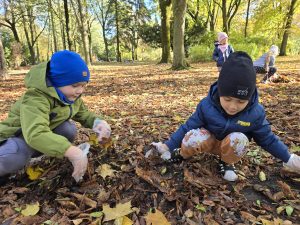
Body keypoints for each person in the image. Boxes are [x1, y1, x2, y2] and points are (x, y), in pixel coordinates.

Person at [151, 51, 300, 182]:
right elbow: (188, 126)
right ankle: (182, 154)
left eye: (241, 101)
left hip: (230, 145)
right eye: (227, 99)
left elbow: (267, 138)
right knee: (193, 136)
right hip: (208, 140)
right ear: (220, 92)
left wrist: (289, 158)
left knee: (239, 139)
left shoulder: (256, 113)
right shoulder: (206, 105)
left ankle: (227, 162)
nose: (233, 106)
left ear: (249, 98)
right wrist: (168, 146)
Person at [0, 50, 111, 184]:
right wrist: (71, 152)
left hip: (33, 139)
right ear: (57, 81)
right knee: (16, 154)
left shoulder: (68, 96)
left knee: (68, 129)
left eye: (83, 85)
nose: (80, 90)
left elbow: (84, 114)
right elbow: (35, 133)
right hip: (14, 138)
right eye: (75, 85)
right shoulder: (35, 98)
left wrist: (97, 122)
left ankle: (34, 155)